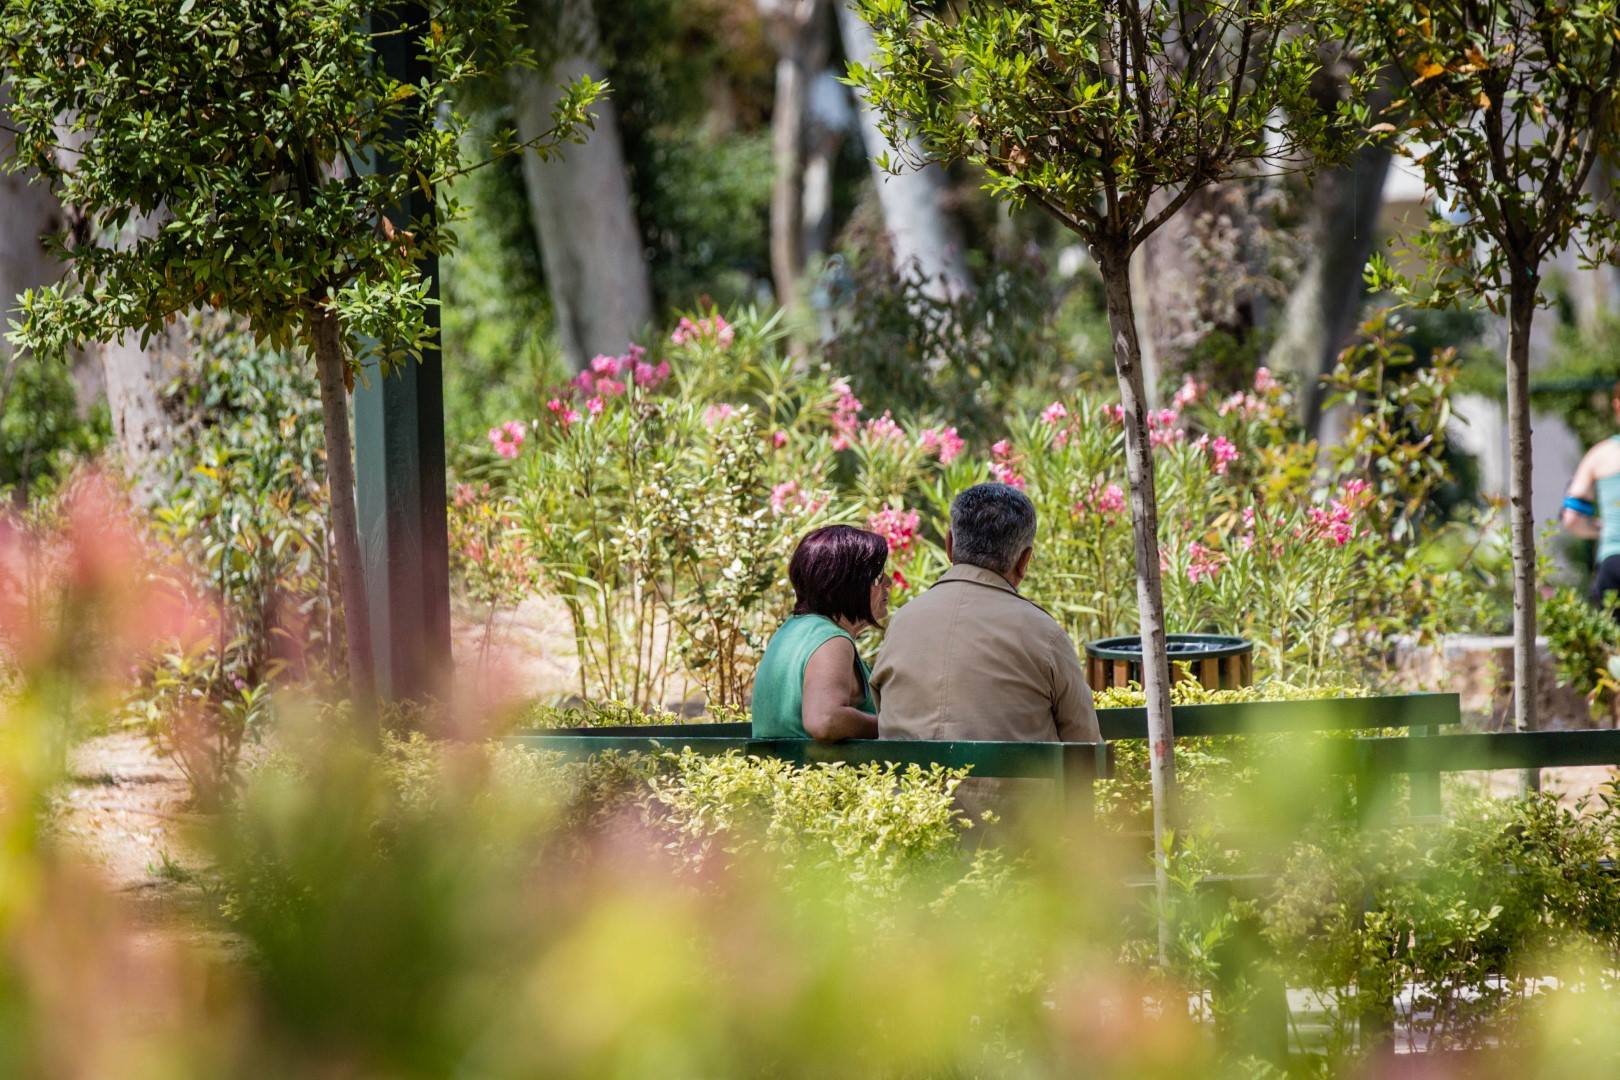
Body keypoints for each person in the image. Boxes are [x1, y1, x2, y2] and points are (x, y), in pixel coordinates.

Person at [872, 482, 1100, 744]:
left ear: (949, 544)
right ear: (1024, 560)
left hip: (911, 786)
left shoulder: (902, 622)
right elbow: (1085, 746)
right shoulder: (1044, 633)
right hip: (1020, 787)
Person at [751, 525, 889, 741]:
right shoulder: (832, 641)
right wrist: (892, 727)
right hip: (816, 772)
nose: (888, 583)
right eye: (878, 577)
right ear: (848, 583)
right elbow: (824, 720)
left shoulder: (792, 630)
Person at [1561, 383, 1620, 613]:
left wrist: (1603, 529)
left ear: (1616, 406)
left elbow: (1572, 518)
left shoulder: (1600, 455)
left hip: (1614, 561)